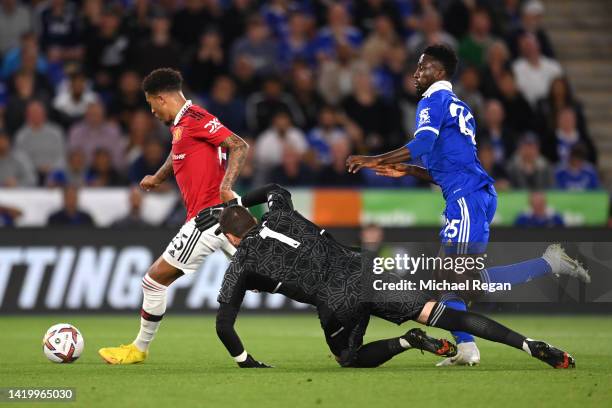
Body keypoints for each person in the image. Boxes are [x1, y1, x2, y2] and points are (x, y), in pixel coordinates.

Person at [345, 44, 586, 366]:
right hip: (472, 193)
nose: (416, 74)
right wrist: (408, 169)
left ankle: (545, 267)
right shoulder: (459, 105)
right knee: (457, 283)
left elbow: (423, 143)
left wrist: (372, 158)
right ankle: (468, 346)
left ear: (439, 72)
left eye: (423, 67)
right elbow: (448, 166)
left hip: (465, 197)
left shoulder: (433, 100)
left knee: (452, 280)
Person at [206, 184, 576, 369]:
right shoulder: (278, 213)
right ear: (252, 217)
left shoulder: (241, 262)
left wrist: (245, 361)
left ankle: (407, 341)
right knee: (446, 313)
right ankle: (529, 344)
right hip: (364, 268)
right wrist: (238, 202)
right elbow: (275, 190)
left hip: (336, 300)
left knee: (348, 358)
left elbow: (224, 326)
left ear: (234, 237)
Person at [98, 68, 249, 365]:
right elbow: (179, 152)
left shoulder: (195, 119)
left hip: (208, 218)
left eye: (151, 104)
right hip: (220, 217)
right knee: (271, 272)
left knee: (153, 281)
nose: (152, 111)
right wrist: (158, 176)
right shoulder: (184, 125)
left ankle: (139, 349)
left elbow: (239, 145)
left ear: (161, 98)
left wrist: (226, 187)